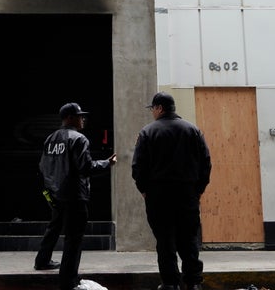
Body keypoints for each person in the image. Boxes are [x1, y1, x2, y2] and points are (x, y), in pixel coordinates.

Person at [132, 92, 212, 290]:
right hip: (187, 193)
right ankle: (193, 282)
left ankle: (170, 283)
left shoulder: (147, 132)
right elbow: (206, 163)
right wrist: (198, 189)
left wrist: (144, 190)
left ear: (159, 108)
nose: (152, 113)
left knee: (165, 240)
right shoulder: (193, 130)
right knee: (189, 239)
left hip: (158, 195)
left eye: (153, 109)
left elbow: (138, 166)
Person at [34, 102, 117, 290]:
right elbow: (86, 167)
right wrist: (107, 163)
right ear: (70, 118)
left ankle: (42, 260)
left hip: (56, 194)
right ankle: (68, 280)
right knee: (73, 239)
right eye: (80, 116)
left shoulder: (50, 139)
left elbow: (42, 167)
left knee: (54, 227)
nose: (83, 119)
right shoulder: (79, 139)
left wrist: (51, 190)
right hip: (74, 196)